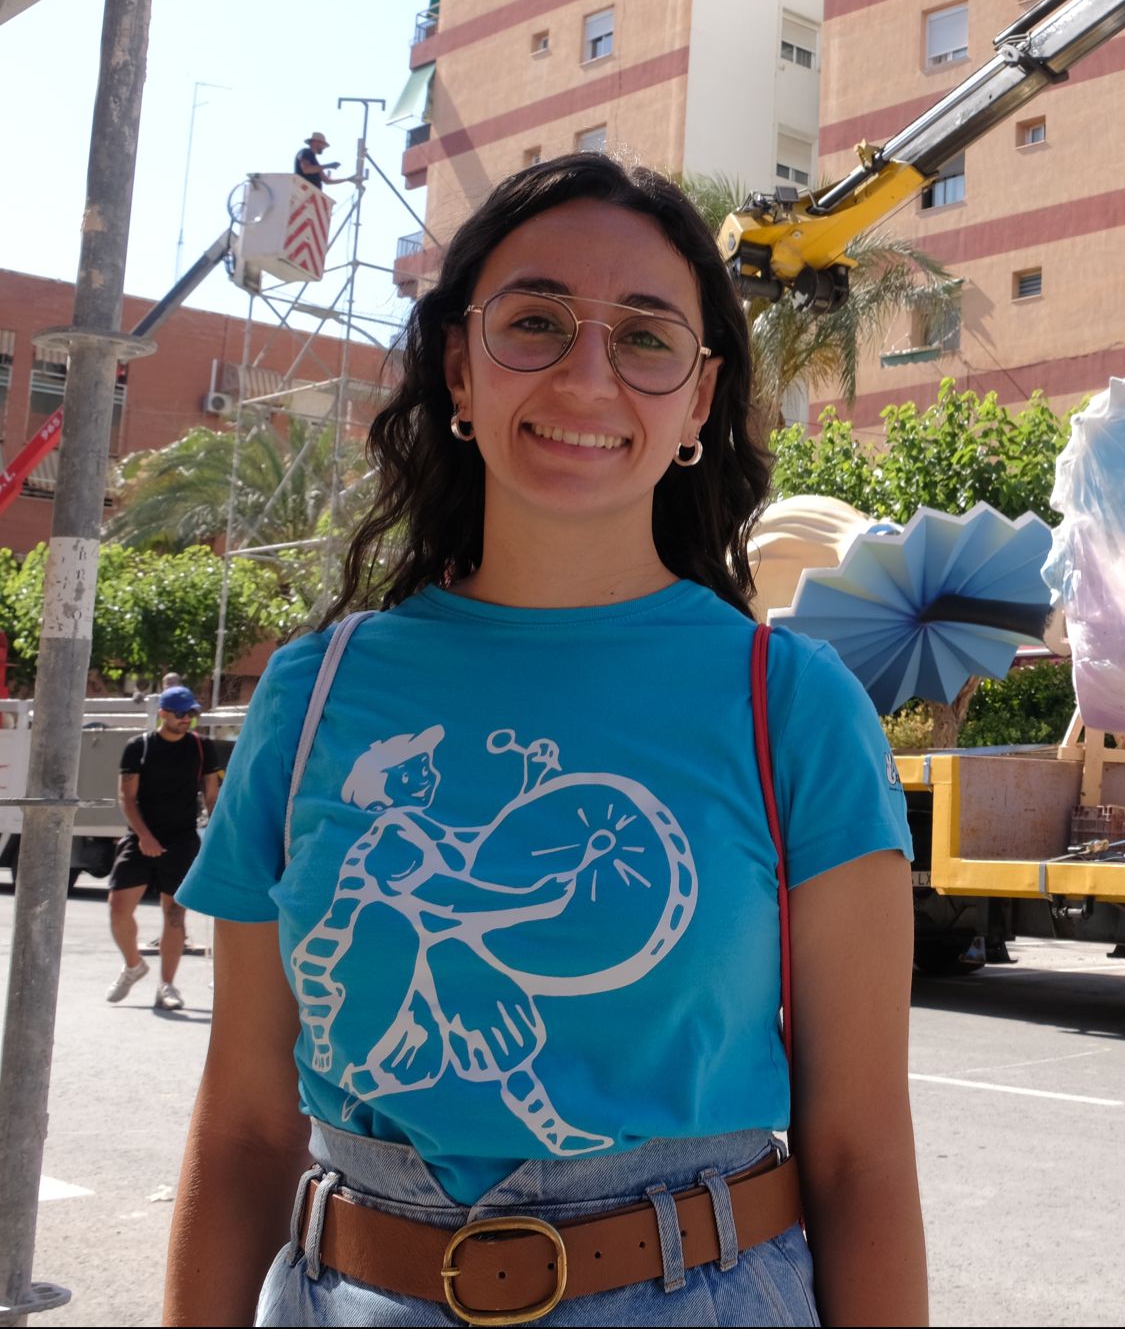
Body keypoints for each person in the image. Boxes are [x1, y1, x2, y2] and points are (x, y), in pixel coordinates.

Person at [165, 153, 928, 1327]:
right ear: (459, 370)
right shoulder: (316, 694)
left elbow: (859, 1157)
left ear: (700, 397)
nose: (585, 374)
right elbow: (248, 1126)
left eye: (644, 336)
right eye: (535, 321)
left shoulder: (794, 705)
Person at [106, 685, 223, 1012]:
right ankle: (133, 965)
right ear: (163, 714)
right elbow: (126, 798)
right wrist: (144, 836)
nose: (187, 719)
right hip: (140, 836)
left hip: (182, 839)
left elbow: (212, 797)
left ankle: (166, 986)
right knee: (118, 907)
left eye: (192, 714)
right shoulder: (138, 747)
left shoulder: (202, 748)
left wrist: (215, 838)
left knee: (174, 914)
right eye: (181, 713)